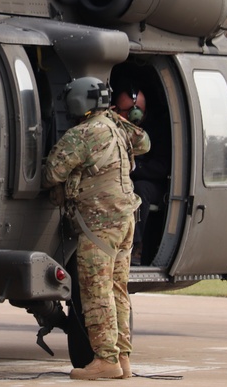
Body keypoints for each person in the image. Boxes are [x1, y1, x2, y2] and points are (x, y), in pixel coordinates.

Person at [43, 76, 150, 380]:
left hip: (100, 226)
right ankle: (122, 357)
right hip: (126, 221)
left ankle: (105, 360)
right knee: (118, 290)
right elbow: (144, 142)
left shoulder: (82, 135)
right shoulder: (116, 126)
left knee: (96, 291)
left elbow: (51, 173)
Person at [114, 89, 167, 266]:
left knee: (141, 189)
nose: (132, 115)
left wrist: (133, 167)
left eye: (136, 110)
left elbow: (161, 167)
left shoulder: (157, 130)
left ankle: (134, 245)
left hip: (152, 184)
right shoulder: (111, 129)